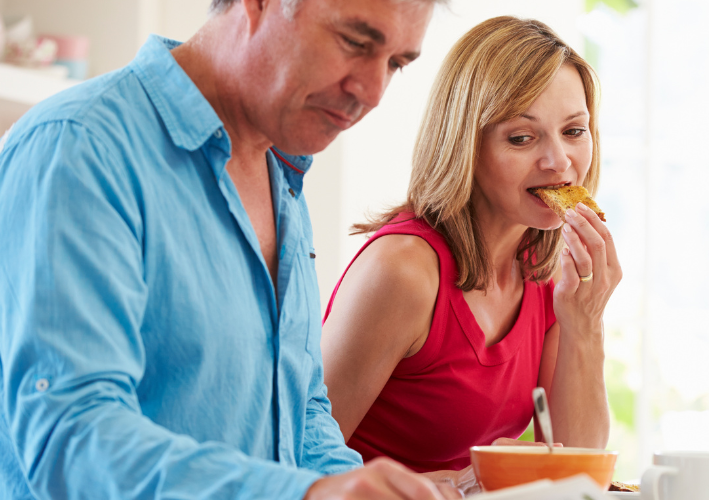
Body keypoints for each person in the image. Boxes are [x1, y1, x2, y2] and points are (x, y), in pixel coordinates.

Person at [0, 0, 454, 499]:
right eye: (354, 42)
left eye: (395, 63)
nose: (371, 92)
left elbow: (299, 408)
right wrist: (305, 495)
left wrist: (344, 482)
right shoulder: (80, 148)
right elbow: (72, 439)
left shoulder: (281, 173)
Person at [320, 15, 621, 487]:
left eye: (574, 131)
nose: (559, 162)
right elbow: (293, 463)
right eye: (522, 138)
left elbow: (579, 474)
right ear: (465, 145)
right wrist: (459, 484)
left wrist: (585, 323)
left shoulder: (546, 271)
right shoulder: (402, 271)